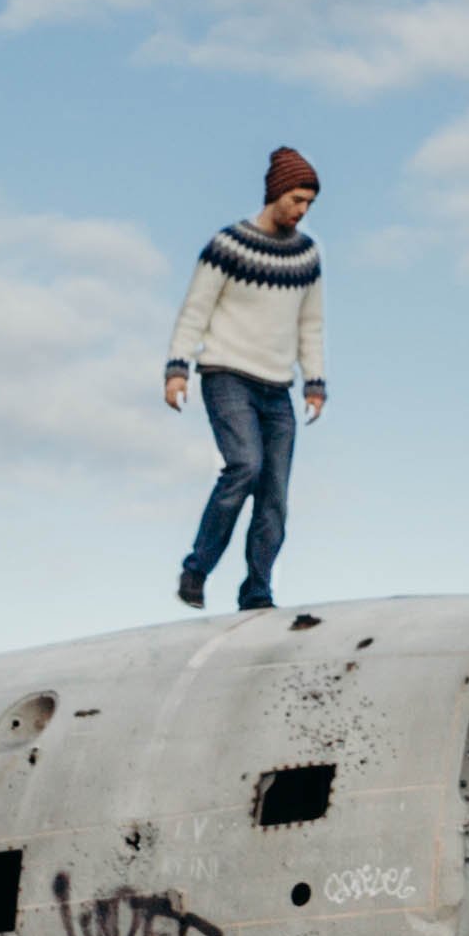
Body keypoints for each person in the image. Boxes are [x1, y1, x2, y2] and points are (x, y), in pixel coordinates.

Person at [164, 146, 327, 611]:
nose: (302, 211)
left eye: (309, 204)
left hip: (278, 389)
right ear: (276, 193)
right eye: (296, 199)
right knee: (245, 467)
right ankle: (197, 569)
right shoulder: (228, 245)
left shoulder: (307, 257)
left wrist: (314, 382)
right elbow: (195, 310)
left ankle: (257, 590)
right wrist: (177, 369)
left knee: (274, 495)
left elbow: (310, 324)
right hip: (227, 375)